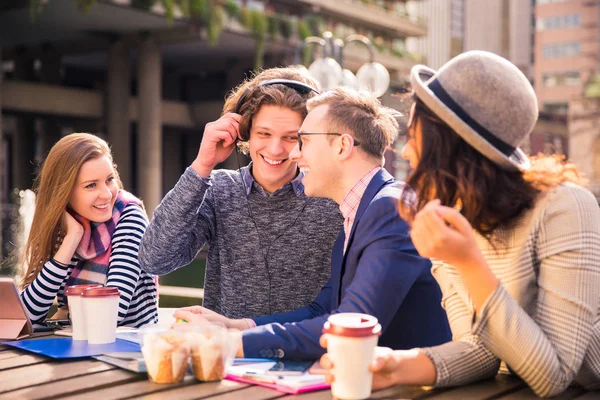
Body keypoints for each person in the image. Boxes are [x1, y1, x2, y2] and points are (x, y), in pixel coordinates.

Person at [320, 51, 600, 397]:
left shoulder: (565, 207)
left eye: (415, 135)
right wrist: (394, 366)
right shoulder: (453, 216)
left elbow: (554, 375)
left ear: (447, 142)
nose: (406, 152)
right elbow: (482, 349)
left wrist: (468, 262)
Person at [174, 87, 451, 359]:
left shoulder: (389, 210)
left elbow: (351, 325)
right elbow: (323, 309)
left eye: (303, 141)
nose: (294, 154)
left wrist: (228, 342)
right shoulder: (360, 211)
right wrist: (236, 326)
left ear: (342, 146)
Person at [139, 68, 342, 322]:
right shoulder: (218, 190)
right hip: (227, 358)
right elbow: (154, 259)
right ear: (244, 132)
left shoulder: (333, 200)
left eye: (291, 137)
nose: (276, 149)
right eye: (264, 134)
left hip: (308, 357)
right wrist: (202, 165)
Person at [18, 133, 158, 327]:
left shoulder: (129, 217)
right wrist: (72, 239)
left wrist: (65, 313)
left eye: (109, 179)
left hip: (125, 349)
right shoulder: (65, 225)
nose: (107, 194)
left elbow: (111, 314)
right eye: (91, 185)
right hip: (75, 345)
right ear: (63, 192)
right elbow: (25, 316)